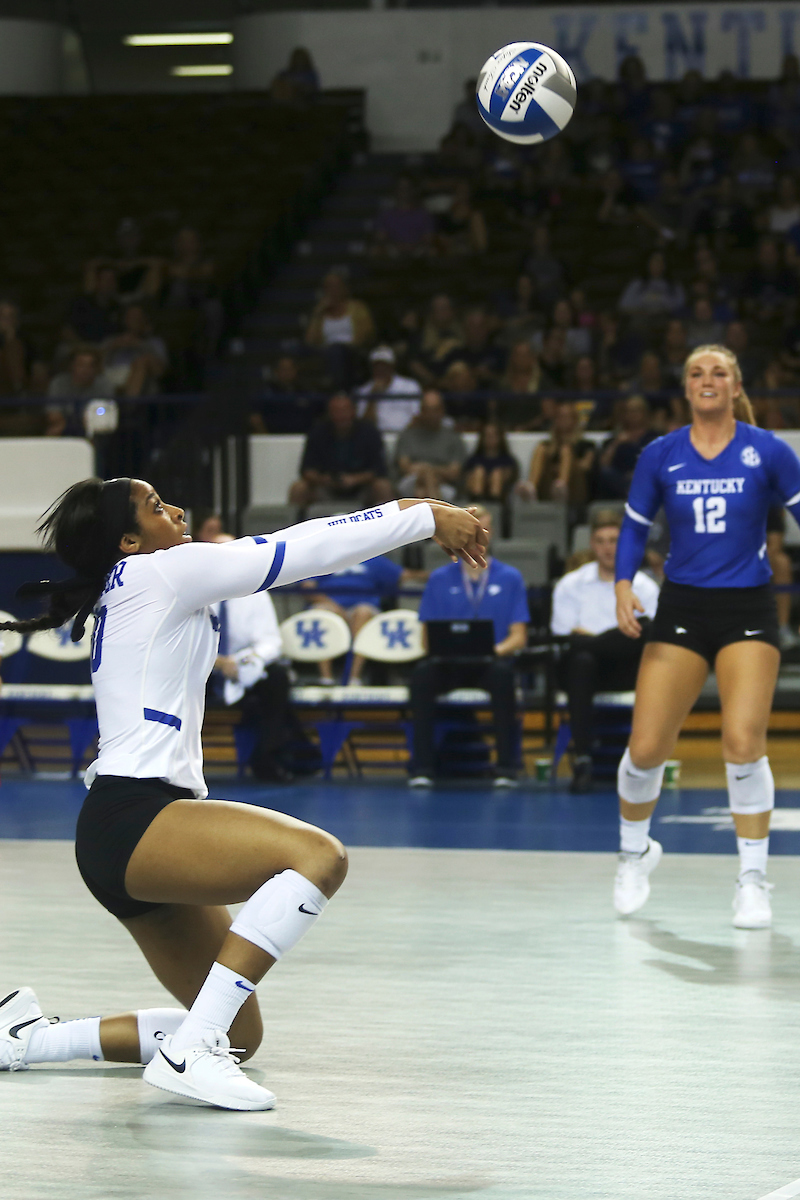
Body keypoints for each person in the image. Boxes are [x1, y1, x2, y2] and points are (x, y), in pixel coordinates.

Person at [0, 476, 486, 1106]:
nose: (176, 508)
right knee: (318, 857)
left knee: (240, 1035)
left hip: (120, 828)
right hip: (136, 816)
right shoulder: (162, 571)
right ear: (128, 540)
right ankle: (188, 1053)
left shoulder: (130, 587)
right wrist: (424, 515)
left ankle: (28, 1038)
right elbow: (300, 548)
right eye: (155, 507)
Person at [613, 344, 800, 930]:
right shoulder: (660, 453)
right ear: (686, 387)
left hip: (748, 605)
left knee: (743, 742)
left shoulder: (768, 449)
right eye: (696, 372)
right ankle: (634, 854)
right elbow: (633, 526)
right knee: (646, 749)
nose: (707, 380)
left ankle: (752, 880)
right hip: (683, 606)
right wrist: (623, 582)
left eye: (718, 371)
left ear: (735, 383)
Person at [410, 507, 529, 787]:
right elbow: (427, 638)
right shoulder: (439, 578)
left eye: (482, 530)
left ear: (491, 533)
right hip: (448, 664)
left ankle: (505, 768)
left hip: (491, 662)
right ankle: (423, 767)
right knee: (421, 676)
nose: (475, 536)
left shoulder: (510, 577)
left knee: (503, 678)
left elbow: (519, 636)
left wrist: (492, 651)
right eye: (468, 529)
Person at [550, 510, 659, 792]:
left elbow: (647, 638)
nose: (608, 548)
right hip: (584, 673)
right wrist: (618, 636)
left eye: (614, 540)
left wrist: (589, 638)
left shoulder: (644, 587)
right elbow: (564, 638)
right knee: (582, 659)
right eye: (601, 541)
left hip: (628, 669)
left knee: (644, 628)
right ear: (592, 545)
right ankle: (583, 759)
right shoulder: (570, 585)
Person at [209, 534, 295, 783]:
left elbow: (271, 642)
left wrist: (245, 662)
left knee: (277, 679)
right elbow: (179, 641)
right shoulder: (191, 592)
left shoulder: (255, 592)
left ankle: (266, 759)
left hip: (242, 667)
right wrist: (216, 662)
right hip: (201, 668)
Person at [302, 555, 426, 686]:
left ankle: (354, 678)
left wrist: (438, 574)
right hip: (329, 605)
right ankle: (326, 679)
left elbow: (403, 575)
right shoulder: (325, 557)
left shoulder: (372, 558)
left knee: (363, 612)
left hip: (363, 608)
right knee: (323, 613)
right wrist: (334, 606)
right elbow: (308, 587)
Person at [289, 392, 393, 510]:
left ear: (353, 411)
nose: (340, 416)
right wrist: (325, 479)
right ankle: (296, 525)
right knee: (299, 488)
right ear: (329, 413)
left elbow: (380, 469)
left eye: (344, 411)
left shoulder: (369, 432)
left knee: (383, 486)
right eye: (336, 411)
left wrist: (355, 479)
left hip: (362, 488)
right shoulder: (318, 432)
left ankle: (386, 525)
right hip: (326, 487)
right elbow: (307, 470)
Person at [517, 401, 595, 509]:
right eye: (560, 417)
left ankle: (561, 486)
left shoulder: (586, 444)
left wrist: (567, 465)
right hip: (548, 485)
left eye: (567, 417)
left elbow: (586, 466)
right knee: (541, 449)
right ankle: (531, 487)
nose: (563, 420)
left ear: (574, 420)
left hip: (575, 488)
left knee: (565, 450)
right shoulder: (547, 445)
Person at [395, 389, 466, 501]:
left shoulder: (453, 437)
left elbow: (454, 473)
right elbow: (405, 468)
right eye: (427, 410)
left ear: (442, 410)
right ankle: (437, 515)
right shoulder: (408, 435)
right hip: (410, 482)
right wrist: (430, 472)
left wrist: (428, 470)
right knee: (425, 479)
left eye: (435, 410)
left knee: (422, 490)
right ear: (421, 411)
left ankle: (427, 514)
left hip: (444, 484)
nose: (431, 414)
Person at [355, 346, 421, 433]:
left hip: (405, 436)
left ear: (393, 366)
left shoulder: (410, 386)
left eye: (385, 365)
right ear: (371, 367)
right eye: (377, 365)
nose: (381, 369)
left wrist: (404, 438)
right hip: (378, 438)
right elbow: (365, 426)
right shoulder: (363, 391)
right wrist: (373, 397)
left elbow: (417, 417)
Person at [463, 422, 518, 503]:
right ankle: (478, 503)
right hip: (475, 497)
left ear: (500, 437)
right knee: (479, 471)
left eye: (493, 435)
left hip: (500, 497)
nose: (490, 438)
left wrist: (494, 479)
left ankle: (495, 504)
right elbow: (466, 480)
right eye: (487, 435)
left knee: (497, 474)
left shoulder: (507, 461)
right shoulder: (473, 460)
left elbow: (510, 479)